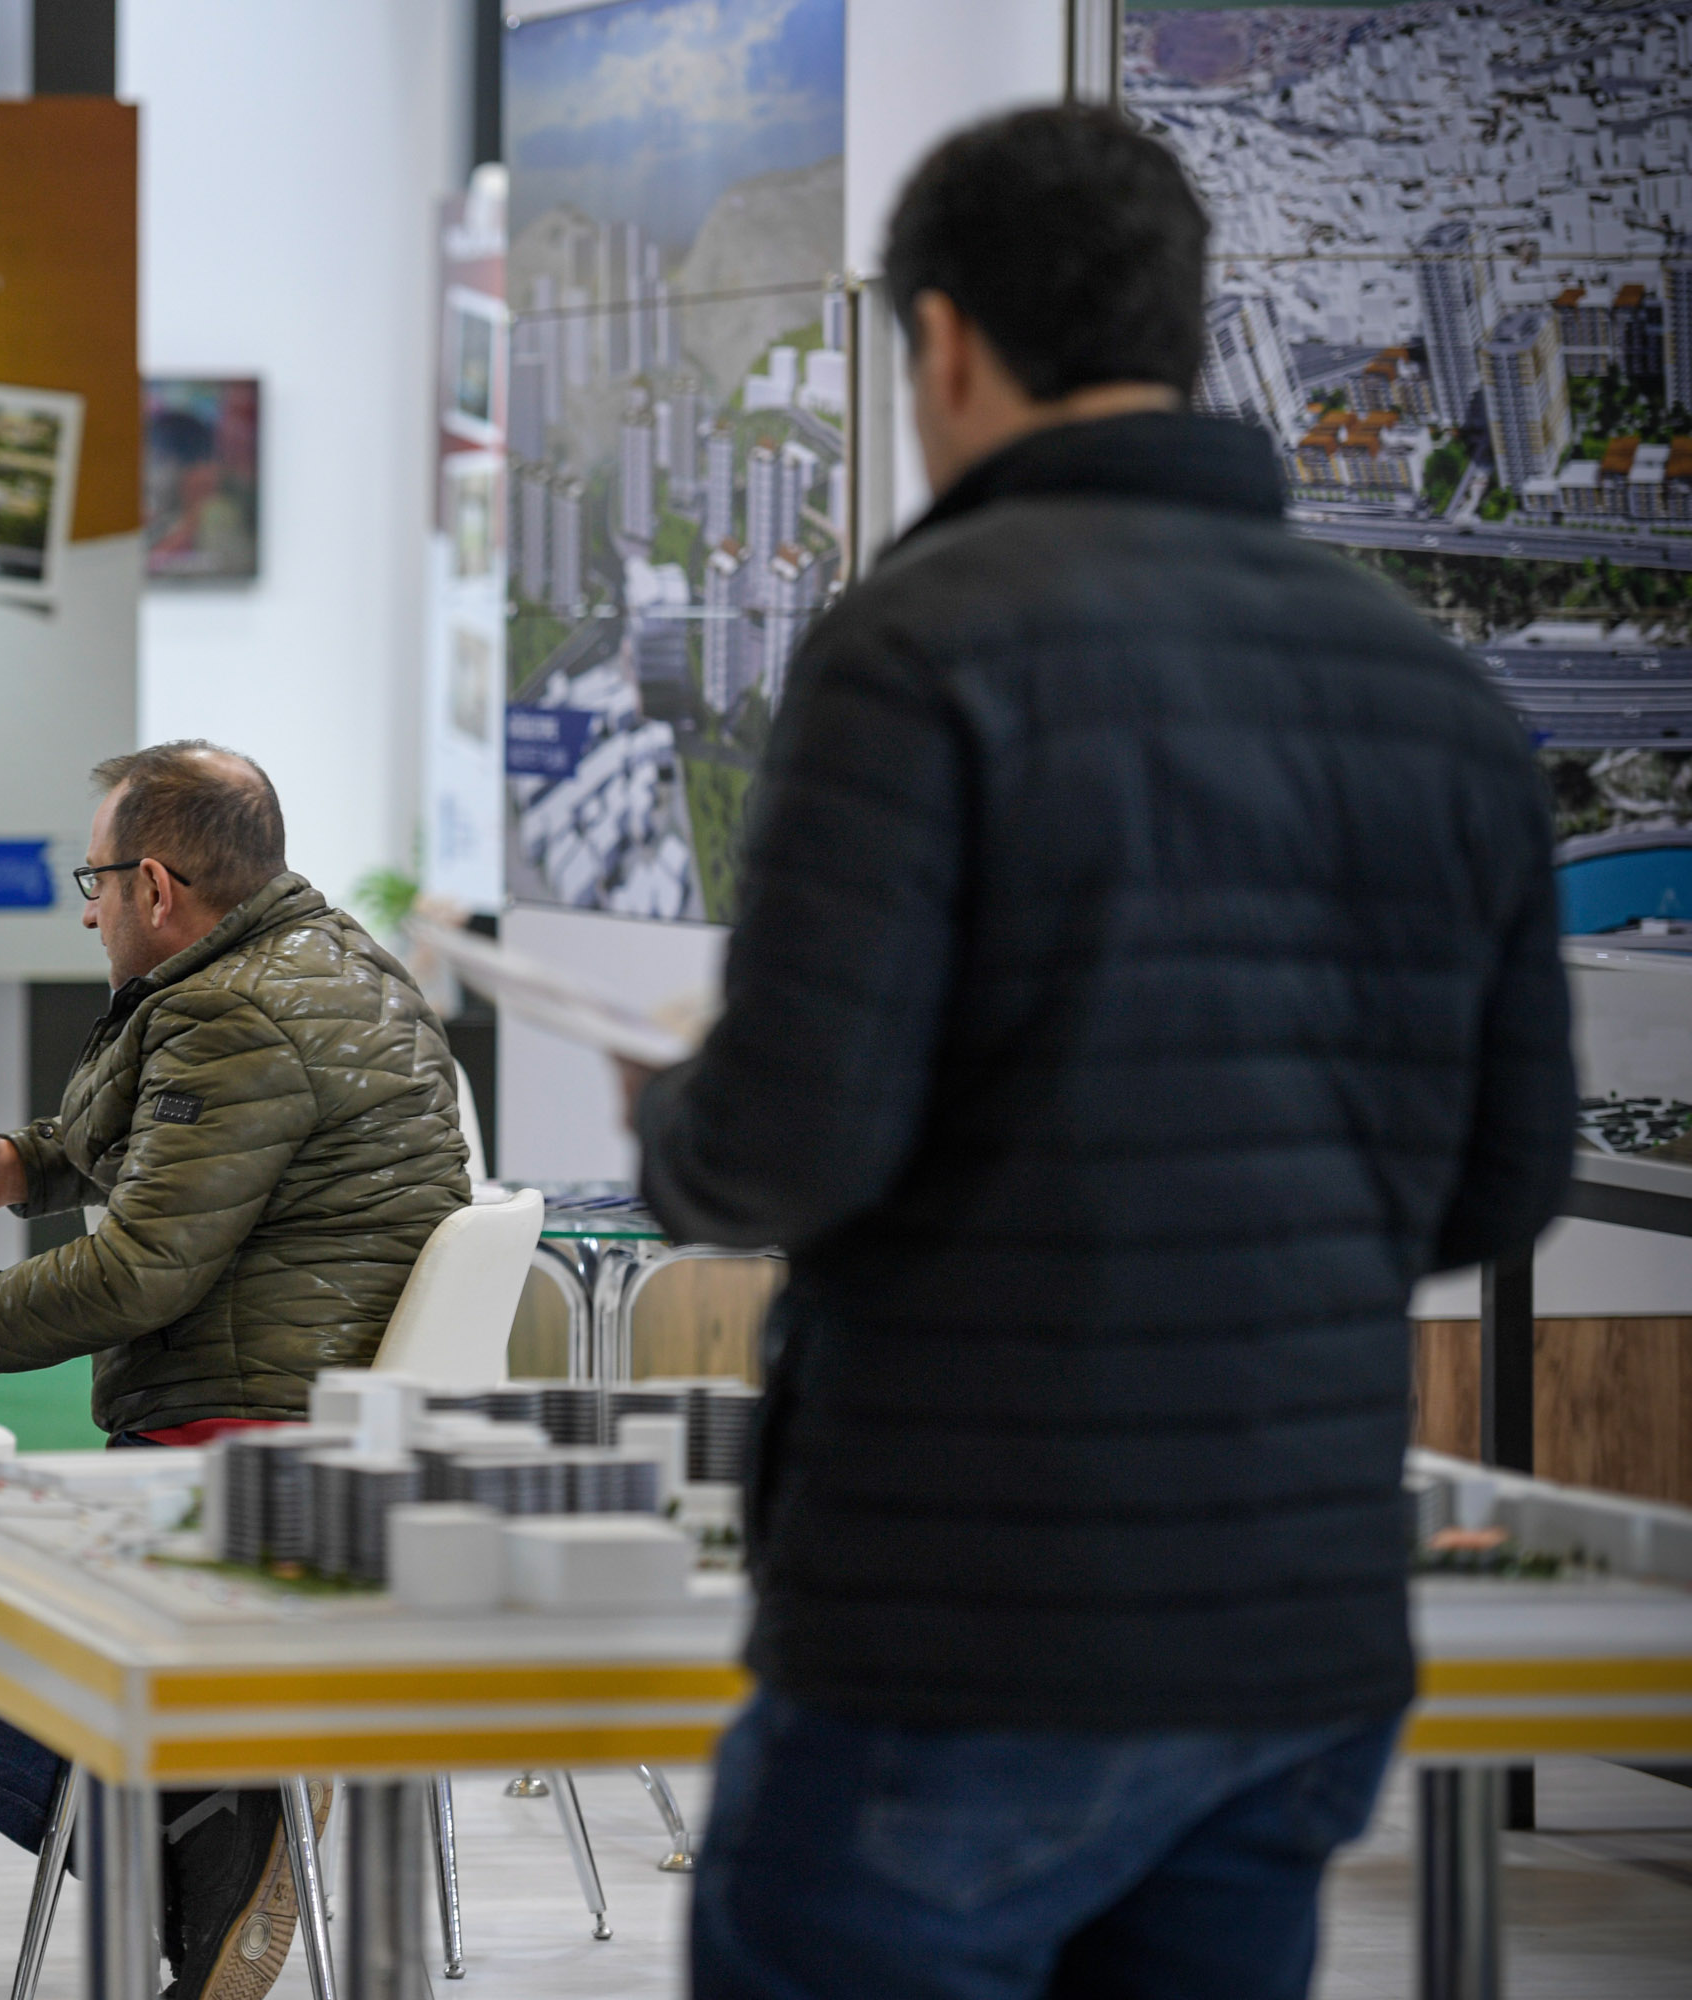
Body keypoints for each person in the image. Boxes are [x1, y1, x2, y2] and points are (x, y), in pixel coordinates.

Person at [625, 107, 1575, 1998]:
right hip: (1295, 1631)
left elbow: (791, 1145)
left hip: (969, 1626)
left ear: (945, 343)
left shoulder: (918, 649)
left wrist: (675, 1120)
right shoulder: (1433, 690)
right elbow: (1502, 1181)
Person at [0, 741, 470, 2000]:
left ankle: (208, 1832)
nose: (86, 911)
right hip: (330, 1445)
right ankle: (211, 1824)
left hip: (233, 1465)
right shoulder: (340, 965)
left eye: (92, 880)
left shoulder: (227, 1012)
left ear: (153, 884)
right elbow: (187, 1155)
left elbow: (137, 1273)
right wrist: (19, 1168)